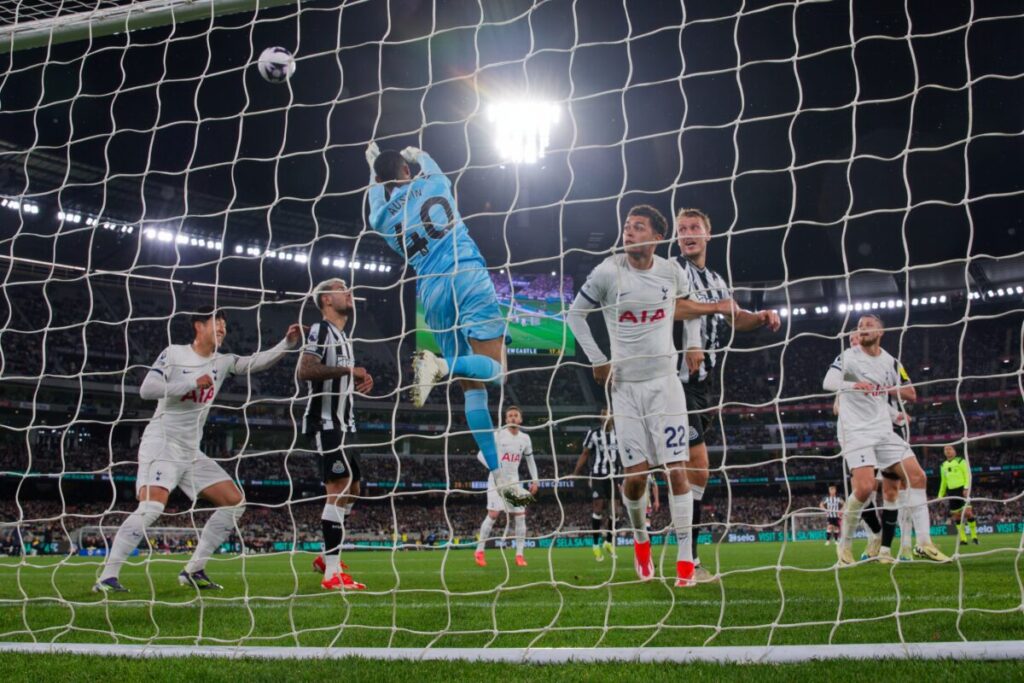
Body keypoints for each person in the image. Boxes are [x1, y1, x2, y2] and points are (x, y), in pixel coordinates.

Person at [567, 204, 726, 588]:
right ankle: (641, 540)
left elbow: (687, 312)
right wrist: (598, 359)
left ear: (656, 236)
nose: (629, 232)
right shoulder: (609, 270)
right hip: (624, 390)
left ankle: (686, 561)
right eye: (627, 226)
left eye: (638, 227)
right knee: (636, 478)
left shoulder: (670, 272)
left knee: (677, 470)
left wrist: (692, 346)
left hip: (666, 386)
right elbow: (574, 314)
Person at [365, 143, 530, 507]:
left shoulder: (381, 220)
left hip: (432, 292)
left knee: (475, 390)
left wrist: (372, 168)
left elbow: (377, 200)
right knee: (497, 374)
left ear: (380, 180)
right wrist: (418, 152)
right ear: (408, 171)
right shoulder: (436, 183)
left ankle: (501, 476)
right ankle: (439, 365)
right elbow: (428, 161)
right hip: (467, 272)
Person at [93, 307, 303, 593]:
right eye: (216, 323)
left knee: (234, 502)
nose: (222, 329)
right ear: (198, 326)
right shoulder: (175, 353)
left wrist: (287, 344)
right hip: (162, 441)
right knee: (153, 506)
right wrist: (191, 381)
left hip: (191, 451)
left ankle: (193, 569)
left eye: (224, 325)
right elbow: (147, 389)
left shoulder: (223, 361)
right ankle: (107, 576)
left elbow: (256, 363)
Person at [673, 208, 781, 582]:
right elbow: (673, 307)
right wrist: (712, 311)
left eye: (694, 228)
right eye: (682, 228)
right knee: (695, 467)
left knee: (695, 475)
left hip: (705, 386)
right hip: (674, 383)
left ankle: (685, 556)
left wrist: (761, 315)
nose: (687, 233)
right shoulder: (671, 270)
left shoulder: (716, 280)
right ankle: (687, 563)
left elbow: (737, 318)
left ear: (708, 235)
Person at [822, 314, 949, 566]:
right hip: (855, 431)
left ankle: (923, 543)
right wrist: (853, 384)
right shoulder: (848, 356)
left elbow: (885, 396)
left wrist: (895, 414)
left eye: (868, 326)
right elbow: (828, 382)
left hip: (883, 430)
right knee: (866, 487)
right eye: (859, 326)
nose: (862, 330)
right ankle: (844, 544)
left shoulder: (890, 362)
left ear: (881, 332)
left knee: (917, 476)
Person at [300, 279, 373, 591]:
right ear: (327, 299)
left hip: (346, 424)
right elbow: (306, 370)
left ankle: (323, 557)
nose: (349, 292)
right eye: (342, 288)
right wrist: (347, 372)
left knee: (354, 488)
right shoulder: (320, 330)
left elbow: (343, 376)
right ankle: (331, 573)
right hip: (326, 423)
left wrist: (360, 379)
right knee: (339, 486)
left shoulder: (344, 337)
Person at [474, 406, 538, 567]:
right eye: (509, 416)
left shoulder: (525, 438)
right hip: (496, 480)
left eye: (516, 415)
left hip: (514, 481)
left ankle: (519, 555)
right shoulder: (498, 435)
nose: (513, 418)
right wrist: (495, 470)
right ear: (505, 419)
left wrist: (535, 480)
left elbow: (530, 460)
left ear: (521, 419)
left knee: (521, 516)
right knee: (494, 514)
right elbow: (480, 455)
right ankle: (479, 551)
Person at [572, 408, 621, 562]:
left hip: (614, 475)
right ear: (600, 418)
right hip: (598, 474)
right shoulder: (594, 434)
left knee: (616, 510)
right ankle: (595, 545)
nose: (606, 416)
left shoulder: (620, 433)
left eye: (609, 413)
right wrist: (576, 472)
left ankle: (608, 542)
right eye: (603, 414)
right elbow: (585, 453)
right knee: (598, 506)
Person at [939, 444, 979, 545]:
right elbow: (943, 482)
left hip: (962, 490)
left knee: (968, 513)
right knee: (956, 516)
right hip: (951, 492)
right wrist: (940, 495)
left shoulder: (961, 461)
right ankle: (963, 539)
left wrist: (966, 488)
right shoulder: (943, 465)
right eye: (946, 449)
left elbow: (967, 475)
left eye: (950, 449)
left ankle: (974, 536)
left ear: (954, 451)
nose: (947, 451)